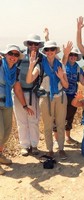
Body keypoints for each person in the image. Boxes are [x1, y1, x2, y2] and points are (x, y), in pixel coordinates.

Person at [26, 41, 69, 159]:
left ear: (55, 51)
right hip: (45, 98)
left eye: (52, 49)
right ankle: (50, 149)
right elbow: (29, 80)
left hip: (60, 97)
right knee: (47, 126)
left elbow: (66, 86)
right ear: (44, 51)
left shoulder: (60, 65)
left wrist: (61, 77)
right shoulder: (40, 65)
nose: (49, 52)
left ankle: (61, 149)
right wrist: (31, 65)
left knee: (60, 124)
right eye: (47, 50)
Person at [0, 44, 33, 175]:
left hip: (7, 103)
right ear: (5, 54)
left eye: (16, 55)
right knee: (0, 132)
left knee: (7, 132)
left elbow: (17, 89)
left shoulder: (16, 71)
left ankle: (0, 155)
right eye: (11, 54)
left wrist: (25, 106)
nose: (13, 57)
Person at [13, 34, 44, 156]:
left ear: (39, 45)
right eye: (31, 43)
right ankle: (25, 145)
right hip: (18, 92)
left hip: (33, 93)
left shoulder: (41, 58)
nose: (33, 46)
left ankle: (34, 145)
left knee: (33, 120)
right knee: (21, 121)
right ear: (27, 44)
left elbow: (54, 58)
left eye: (36, 44)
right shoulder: (19, 55)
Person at [61, 42, 84, 144]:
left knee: (70, 116)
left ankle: (67, 137)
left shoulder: (78, 68)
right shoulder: (63, 64)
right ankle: (58, 138)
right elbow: (61, 61)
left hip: (73, 95)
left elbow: (83, 82)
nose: (73, 57)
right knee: (60, 115)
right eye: (71, 55)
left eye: (75, 55)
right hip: (62, 95)